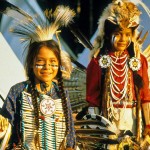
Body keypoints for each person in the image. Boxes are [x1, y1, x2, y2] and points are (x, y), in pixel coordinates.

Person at [0, 6, 76, 150]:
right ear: (31, 64)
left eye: (53, 63)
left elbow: (70, 136)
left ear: (59, 64)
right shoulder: (18, 91)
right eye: (40, 62)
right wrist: (1, 122)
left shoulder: (62, 94)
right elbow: (4, 126)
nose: (47, 67)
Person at [86, 0, 150, 148]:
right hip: (108, 120)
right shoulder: (98, 62)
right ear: (108, 35)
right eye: (118, 33)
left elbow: (145, 96)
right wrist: (95, 130)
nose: (123, 39)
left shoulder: (138, 60)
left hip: (134, 119)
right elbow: (92, 100)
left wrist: (148, 125)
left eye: (127, 34)